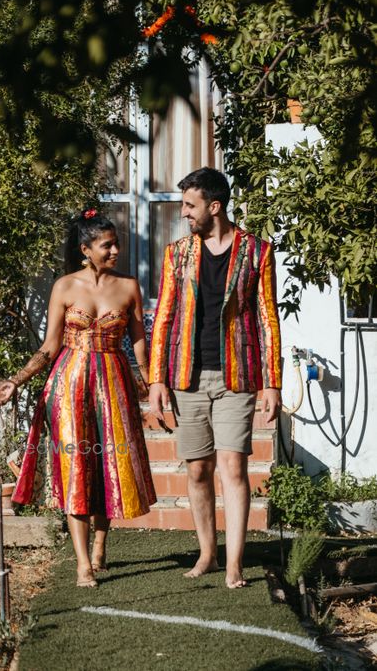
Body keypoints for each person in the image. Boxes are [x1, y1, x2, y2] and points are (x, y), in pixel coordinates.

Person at [0, 209, 156, 587]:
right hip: (69, 385)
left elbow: (140, 348)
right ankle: (83, 564)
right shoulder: (64, 286)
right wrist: (16, 380)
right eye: (107, 245)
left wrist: (154, 388)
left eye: (116, 243)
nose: (115, 250)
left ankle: (100, 543)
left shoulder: (128, 286)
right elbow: (50, 346)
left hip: (114, 383)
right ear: (86, 250)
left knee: (108, 466)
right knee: (76, 467)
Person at [148, 167, 281, 588]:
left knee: (233, 467)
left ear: (214, 206)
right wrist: (156, 380)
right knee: (198, 470)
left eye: (190, 205)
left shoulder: (257, 252)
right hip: (187, 375)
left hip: (235, 376)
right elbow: (164, 317)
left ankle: (236, 563)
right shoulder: (177, 254)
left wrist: (272, 382)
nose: (184, 213)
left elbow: (268, 319)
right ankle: (208, 552)